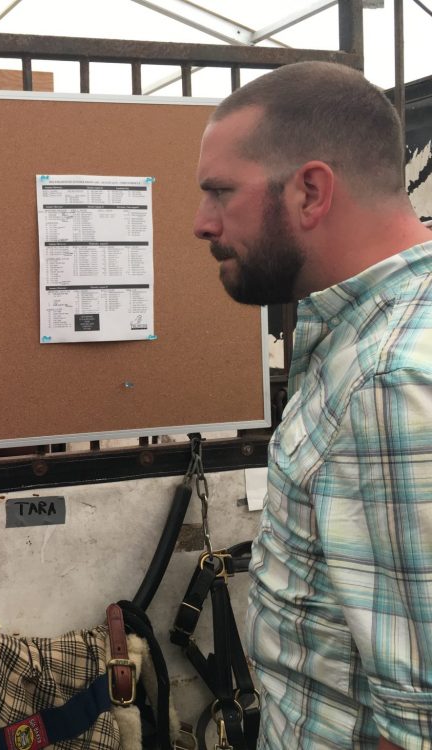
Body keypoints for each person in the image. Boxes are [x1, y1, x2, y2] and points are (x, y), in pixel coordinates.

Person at [192, 61, 432, 749]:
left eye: (220, 192)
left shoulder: (390, 378)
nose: (201, 223)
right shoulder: (369, 339)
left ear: (310, 192)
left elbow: (418, 725)